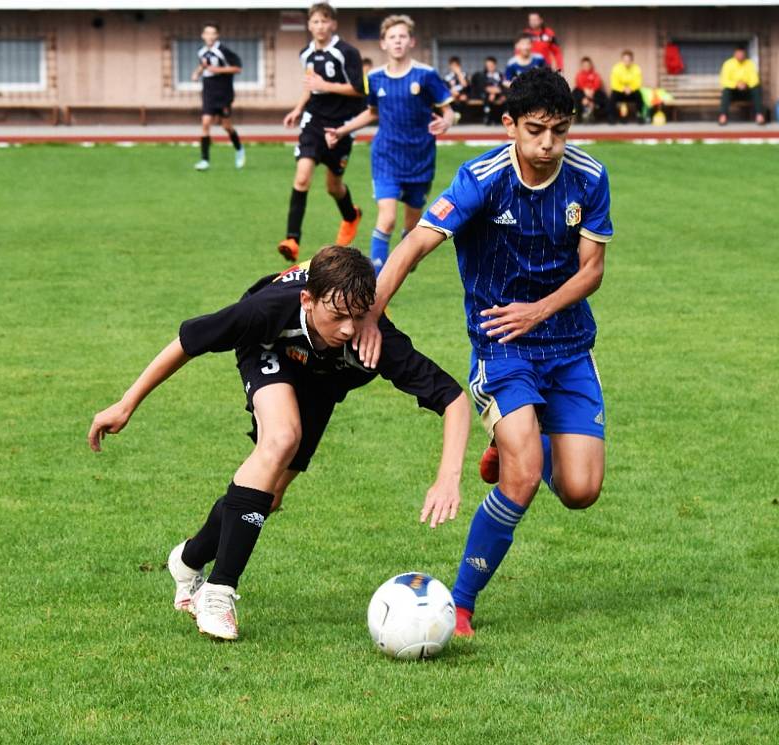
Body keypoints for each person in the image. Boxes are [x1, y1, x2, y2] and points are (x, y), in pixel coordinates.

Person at [87, 246, 471, 641]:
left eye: (358, 316)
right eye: (337, 316)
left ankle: (187, 561)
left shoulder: (372, 338)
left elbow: (454, 399)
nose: (347, 329)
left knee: (268, 498)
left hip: (322, 380)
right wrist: (127, 402)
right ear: (308, 299)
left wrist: (448, 477)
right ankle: (218, 593)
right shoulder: (267, 311)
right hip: (268, 348)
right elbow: (189, 340)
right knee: (281, 437)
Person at [354, 67, 612, 638]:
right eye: (536, 130)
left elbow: (592, 270)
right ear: (510, 125)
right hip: (501, 345)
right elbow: (413, 245)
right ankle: (463, 606)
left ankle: (524, 440)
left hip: (569, 347)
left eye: (560, 131)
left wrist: (538, 310)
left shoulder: (590, 177)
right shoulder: (481, 178)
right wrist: (372, 314)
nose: (549, 145)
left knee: (581, 492)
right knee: (521, 480)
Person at [324, 15, 454, 273]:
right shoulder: (374, 78)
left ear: (412, 41)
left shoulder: (426, 75)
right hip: (386, 156)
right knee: (387, 218)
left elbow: (448, 110)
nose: (397, 41)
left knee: (412, 227)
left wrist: (447, 121)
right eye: (392, 37)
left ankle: (407, 254)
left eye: (402, 36)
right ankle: (374, 284)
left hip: (420, 158)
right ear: (383, 43)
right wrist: (342, 130)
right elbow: (372, 112)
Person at [278, 3, 365, 262]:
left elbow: (359, 89)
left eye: (324, 21)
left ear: (333, 24)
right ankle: (292, 240)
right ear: (309, 25)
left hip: (342, 126)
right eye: (315, 22)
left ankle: (351, 216)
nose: (320, 27)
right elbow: (310, 85)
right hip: (314, 121)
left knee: (333, 186)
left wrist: (324, 85)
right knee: (302, 177)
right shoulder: (306, 53)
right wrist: (298, 108)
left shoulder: (347, 52)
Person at [191, 23, 246, 172]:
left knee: (226, 126)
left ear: (217, 36)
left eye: (213, 33)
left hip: (223, 91)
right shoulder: (201, 51)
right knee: (206, 122)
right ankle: (204, 160)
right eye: (207, 33)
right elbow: (204, 65)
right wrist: (197, 73)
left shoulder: (223, 51)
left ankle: (239, 149)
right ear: (203, 35)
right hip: (208, 90)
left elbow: (238, 68)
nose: (209, 36)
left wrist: (218, 70)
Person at [718, 46, 765, 126]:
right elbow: (724, 80)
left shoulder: (750, 63)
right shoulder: (728, 64)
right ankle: (723, 116)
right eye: (738, 53)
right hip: (733, 93)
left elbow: (755, 80)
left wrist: (745, 84)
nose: (740, 55)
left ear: (745, 54)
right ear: (735, 54)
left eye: (742, 53)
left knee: (757, 89)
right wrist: (736, 84)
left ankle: (759, 115)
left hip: (746, 92)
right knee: (726, 90)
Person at [608, 50, 644, 124]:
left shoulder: (637, 68)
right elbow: (614, 83)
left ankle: (639, 115)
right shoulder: (616, 68)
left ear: (632, 60)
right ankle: (612, 117)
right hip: (620, 92)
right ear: (622, 60)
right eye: (624, 60)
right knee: (612, 96)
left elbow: (638, 82)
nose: (626, 62)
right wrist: (623, 88)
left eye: (628, 60)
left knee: (639, 95)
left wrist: (630, 88)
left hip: (632, 92)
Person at [572, 56, 608, 123]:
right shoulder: (579, 74)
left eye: (588, 65)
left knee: (603, 97)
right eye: (584, 65)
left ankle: (595, 111)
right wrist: (584, 95)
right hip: (582, 92)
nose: (586, 66)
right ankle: (576, 117)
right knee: (574, 93)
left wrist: (593, 91)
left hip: (593, 92)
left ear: (591, 65)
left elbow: (598, 83)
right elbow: (578, 83)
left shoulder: (595, 74)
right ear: (582, 66)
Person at [471, 56, 504, 126]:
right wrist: (492, 92)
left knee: (503, 98)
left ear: (495, 65)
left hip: (498, 94)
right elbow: (483, 87)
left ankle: (498, 119)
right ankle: (487, 117)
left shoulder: (499, 75)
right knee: (488, 97)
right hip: (485, 95)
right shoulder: (483, 75)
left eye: (491, 65)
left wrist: (495, 92)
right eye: (488, 66)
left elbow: (502, 87)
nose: (489, 67)